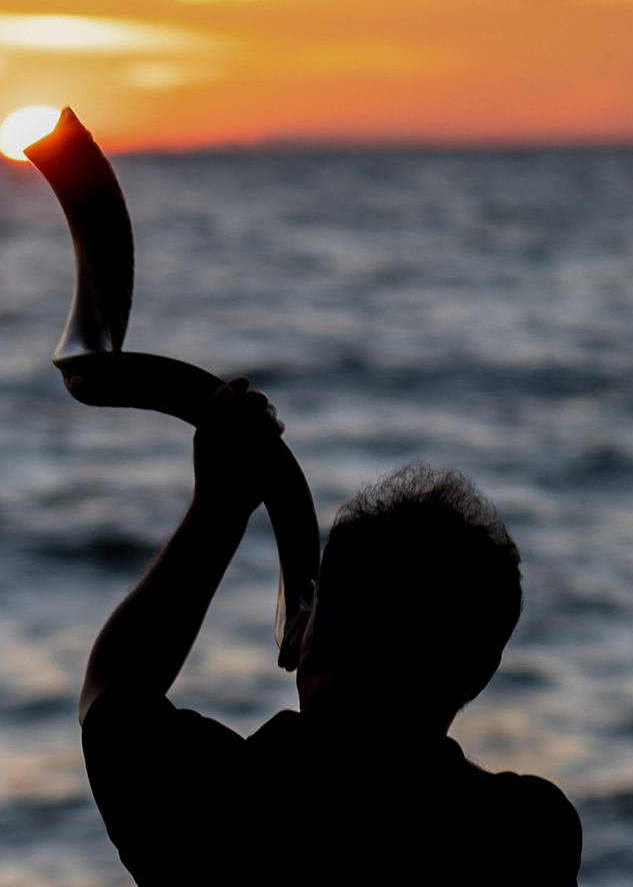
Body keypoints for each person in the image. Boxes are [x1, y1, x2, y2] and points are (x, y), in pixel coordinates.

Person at [79, 378, 581, 885]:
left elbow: (111, 684)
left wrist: (220, 509)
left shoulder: (210, 802)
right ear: (480, 674)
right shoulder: (531, 836)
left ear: (313, 643)